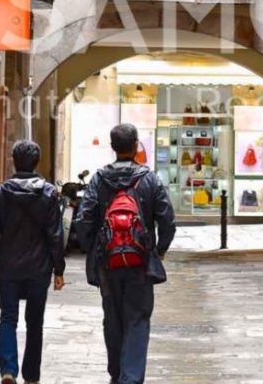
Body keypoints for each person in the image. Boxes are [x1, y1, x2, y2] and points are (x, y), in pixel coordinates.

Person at [76, 123, 176, 384]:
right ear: (135, 147)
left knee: (113, 318)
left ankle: (117, 373)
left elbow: (83, 219)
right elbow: (167, 220)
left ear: (113, 147)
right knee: (138, 318)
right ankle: (130, 378)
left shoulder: (99, 179)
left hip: (107, 263)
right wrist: (160, 250)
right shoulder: (150, 178)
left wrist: (94, 250)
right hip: (140, 261)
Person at [0, 140, 66, 384]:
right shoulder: (48, 193)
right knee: (34, 321)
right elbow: (56, 235)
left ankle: (8, 369)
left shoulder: (1, 192)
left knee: (8, 317)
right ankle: (31, 375)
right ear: (36, 162)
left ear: (14, 161)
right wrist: (59, 270)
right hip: (39, 269)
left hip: (8, 267)